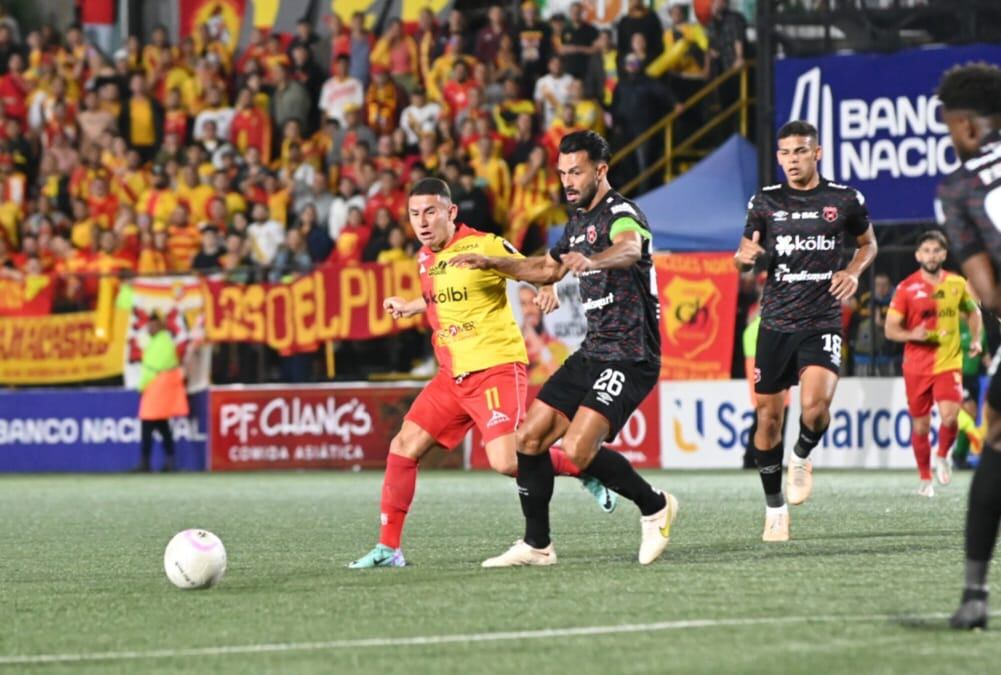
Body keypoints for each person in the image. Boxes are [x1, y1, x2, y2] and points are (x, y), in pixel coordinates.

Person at [348, 177, 617, 569]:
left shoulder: (485, 244)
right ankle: (389, 549)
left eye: (430, 212)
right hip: (450, 376)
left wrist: (549, 290)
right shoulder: (425, 257)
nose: (421, 222)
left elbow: (536, 268)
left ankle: (584, 465)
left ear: (451, 212)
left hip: (494, 369)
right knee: (403, 447)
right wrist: (410, 306)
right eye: (414, 214)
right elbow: (442, 297)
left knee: (508, 461)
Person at [452, 131, 677, 567]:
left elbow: (630, 249)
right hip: (593, 351)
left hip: (631, 355)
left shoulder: (623, 214)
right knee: (529, 437)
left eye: (575, 172)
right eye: (562, 173)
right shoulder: (576, 223)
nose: (567, 181)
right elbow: (545, 268)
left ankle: (655, 506)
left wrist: (593, 260)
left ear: (601, 170)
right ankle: (537, 545)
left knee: (576, 450)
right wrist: (494, 263)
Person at [733, 120, 877, 542]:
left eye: (800, 151)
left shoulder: (844, 199)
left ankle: (801, 456)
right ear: (778, 157)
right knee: (769, 419)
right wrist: (743, 258)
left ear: (817, 153)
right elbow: (743, 258)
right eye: (785, 153)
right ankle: (774, 507)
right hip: (775, 322)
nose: (792, 160)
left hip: (822, 320)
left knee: (814, 410)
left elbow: (869, 244)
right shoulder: (764, 202)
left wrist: (852, 271)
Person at [933, 62, 1001, 629]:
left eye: (950, 126)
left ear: (970, 128)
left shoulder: (960, 188)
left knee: (996, 441)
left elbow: (986, 289)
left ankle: (975, 595)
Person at [884, 230, 982, 496]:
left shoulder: (956, 283)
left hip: (948, 362)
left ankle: (942, 455)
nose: (931, 255)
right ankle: (925, 478)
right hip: (916, 366)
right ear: (918, 255)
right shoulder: (906, 288)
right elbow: (890, 329)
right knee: (921, 425)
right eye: (926, 250)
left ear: (944, 254)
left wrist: (976, 340)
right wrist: (910, 334)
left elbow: (973, 312)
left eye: (936, 250)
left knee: (950, 417)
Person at [135, 313, 189, 473]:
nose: (149, 328)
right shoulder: (162, 341)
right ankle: (169, 461)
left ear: (160, 326)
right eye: (149, 325)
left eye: (153, 325)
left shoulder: (161, 342)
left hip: (156, 390)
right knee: (162, 426)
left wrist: (141, 386)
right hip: (159, 391)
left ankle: (146, 463)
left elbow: (151, 369)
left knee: (148, 426)